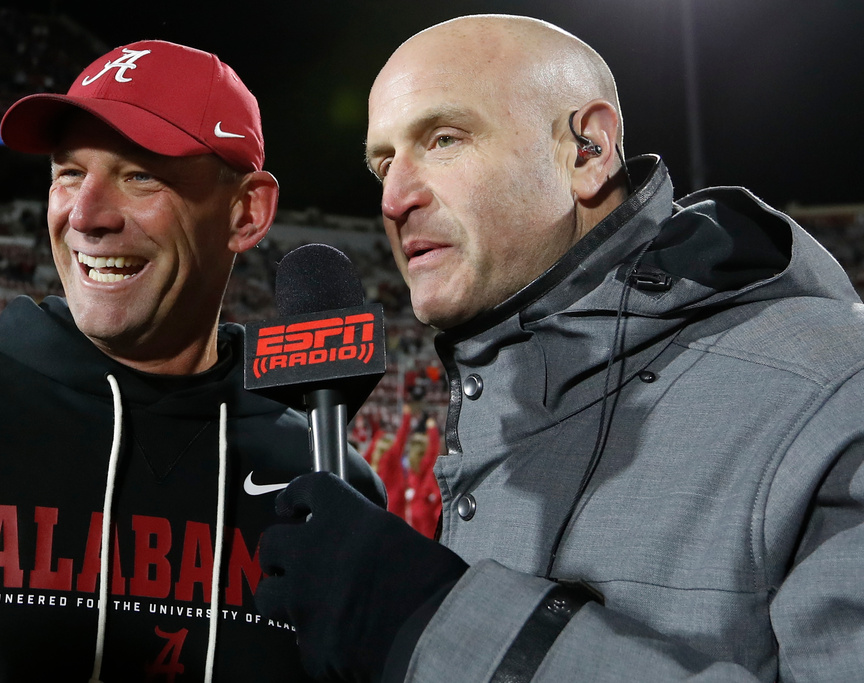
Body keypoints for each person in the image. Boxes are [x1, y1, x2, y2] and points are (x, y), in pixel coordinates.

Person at [254, 14, 864, 682]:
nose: (395, 199)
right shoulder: (499, 388)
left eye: (444, 139)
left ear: (587, 150)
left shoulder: (835, 389)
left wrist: (436, 623)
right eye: (383, 164)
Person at [0, 40, 383, 682]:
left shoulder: (324, 479)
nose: (85, 215)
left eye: (139, 175)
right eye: (68, 173)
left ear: (246, 212)